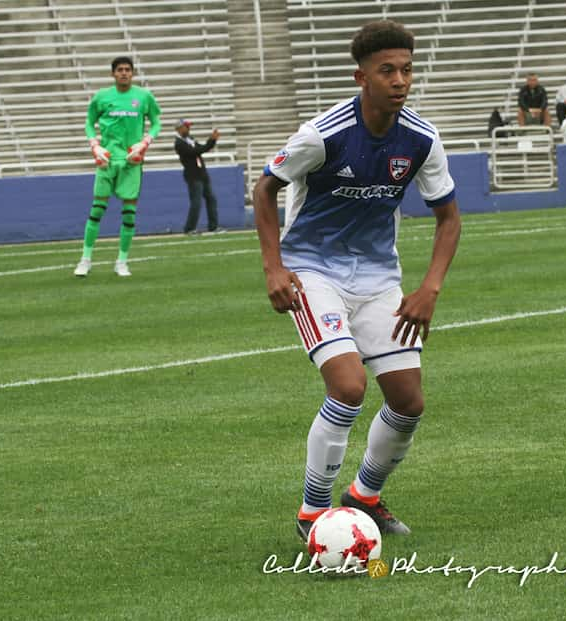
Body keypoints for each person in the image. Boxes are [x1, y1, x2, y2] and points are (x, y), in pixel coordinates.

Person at [252, 19, 461, 542]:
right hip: (312, 270)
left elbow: (449, 217)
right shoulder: (322, 135)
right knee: (348, 386)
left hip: (377, 278)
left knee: (409, 401)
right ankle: (313, 513)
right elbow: (264, 189)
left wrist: (429, 287)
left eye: (406, 70)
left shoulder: (420, 138)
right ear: (360, 77)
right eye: (386, 70)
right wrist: (275, 268)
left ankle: (363, 496)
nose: (400, 80)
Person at [74, 56, 161, 277]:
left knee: (129, 214)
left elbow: (157, 121)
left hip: (131, 161)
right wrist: (95, 146)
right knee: (96, 210)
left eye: (128, 70)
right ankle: (85, 259)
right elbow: (88, 122)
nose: (124, 73)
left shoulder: (143, 96)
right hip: (107, 159)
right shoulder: (102, 97)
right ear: (113, 73)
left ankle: (122, 261)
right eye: (120, 70)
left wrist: (145, 142)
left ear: (133, 73)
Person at [174, 119, 222, 235]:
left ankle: (213, 226)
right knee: (196, 202)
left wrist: (212, 141)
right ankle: (189, 228)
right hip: (193, 175)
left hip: (202, 174)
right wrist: (211, 140)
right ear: (180, 129)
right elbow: (196, 151)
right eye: (186, 126)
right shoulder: (179, 143)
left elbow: (202, 148)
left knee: (211, 199)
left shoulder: (190, 139)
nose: (188, 128)